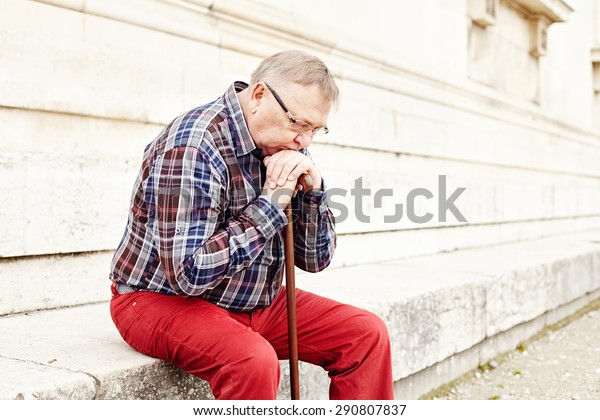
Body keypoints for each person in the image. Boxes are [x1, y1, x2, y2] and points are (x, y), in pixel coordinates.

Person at [109, 50, 394, 400]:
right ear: (259, 96)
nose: (304, 141)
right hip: (158, 299)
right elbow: (187, 273)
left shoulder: (287, 142)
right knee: (252, 360)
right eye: (299, 124)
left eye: (316, 130)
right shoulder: (194, 145)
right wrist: (270, 207)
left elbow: (315, 260)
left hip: (254, 301)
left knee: (366, 335)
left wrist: (312, 192)